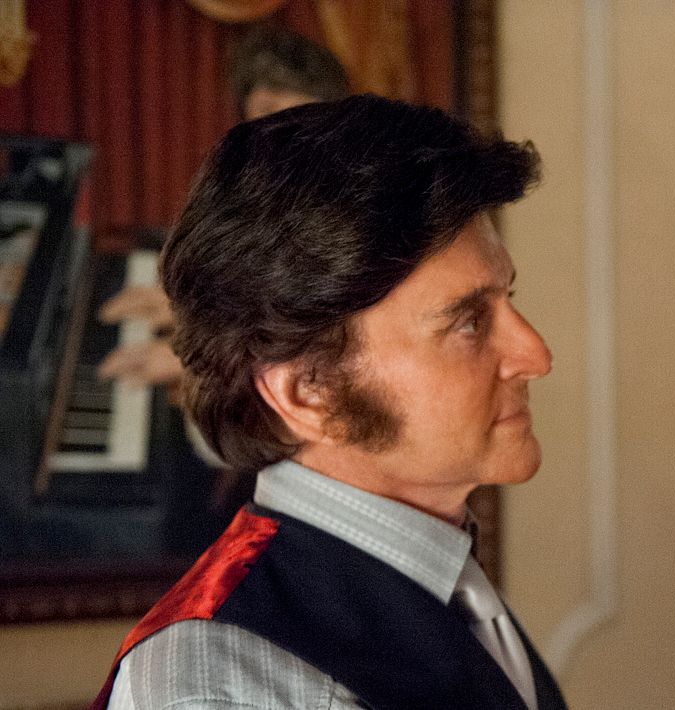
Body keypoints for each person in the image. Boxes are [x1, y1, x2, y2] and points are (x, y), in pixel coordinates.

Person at [91, 95, 566, 710]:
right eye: (469, 322)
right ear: (307, 392)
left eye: (508, 299)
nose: (535, 354)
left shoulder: (450, 581)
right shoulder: (219, 683)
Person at [96, 25, 349, 387]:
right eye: (261, 122)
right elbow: (265, 310)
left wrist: (193, 362)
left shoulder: (349, 213)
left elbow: (332, 348)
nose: (272, 141)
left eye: (291, 120)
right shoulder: (269, 197)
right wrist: (185, 311)